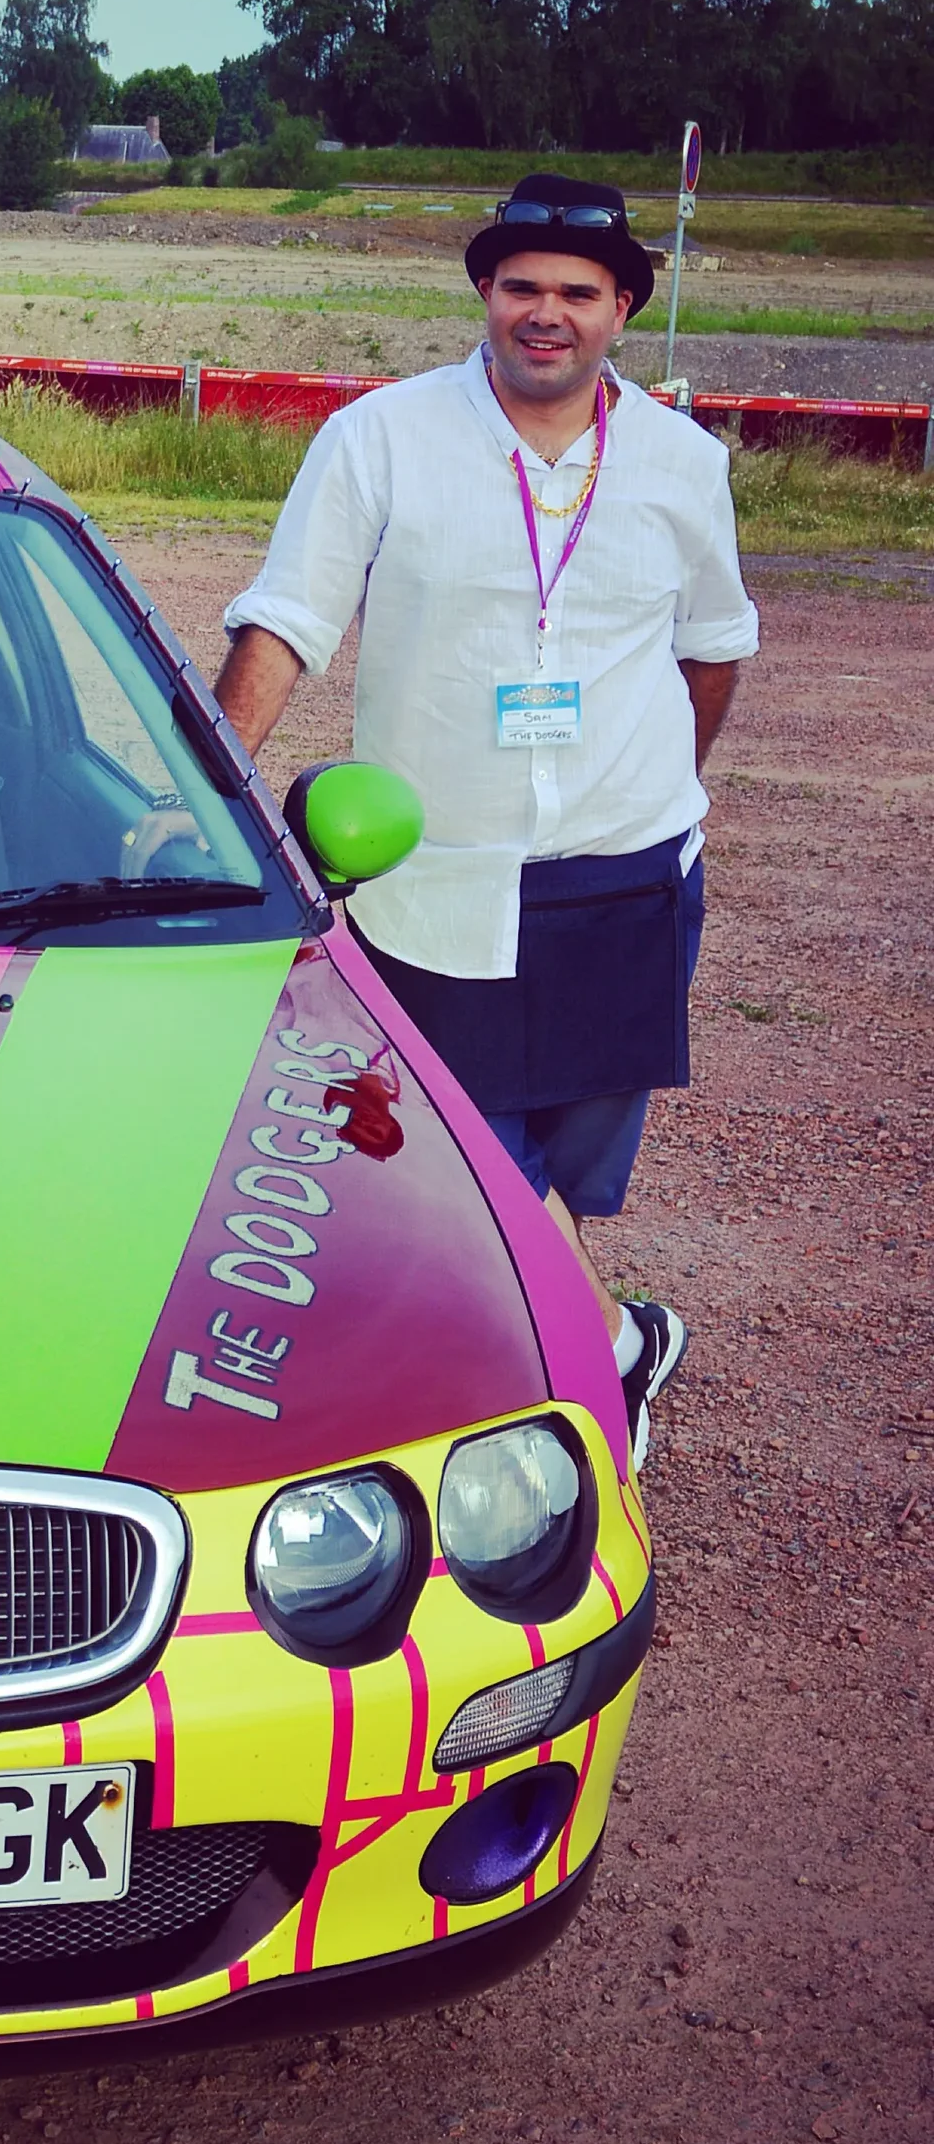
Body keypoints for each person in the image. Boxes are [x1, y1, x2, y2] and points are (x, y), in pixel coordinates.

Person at [214, 172, 759, 1467]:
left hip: (621, 886)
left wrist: (663, 787)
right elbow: (289, 617)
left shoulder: (685, 466)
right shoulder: (379, 438)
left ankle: (601, 1347)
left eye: (578, 293)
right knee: (457, 1173)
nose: (547, 315)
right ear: (485, 292)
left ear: (626, 305)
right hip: (430, 880)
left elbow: (716, 648)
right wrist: (217, 790)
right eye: (523, 287)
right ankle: (594, 1381)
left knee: (565, 1174)